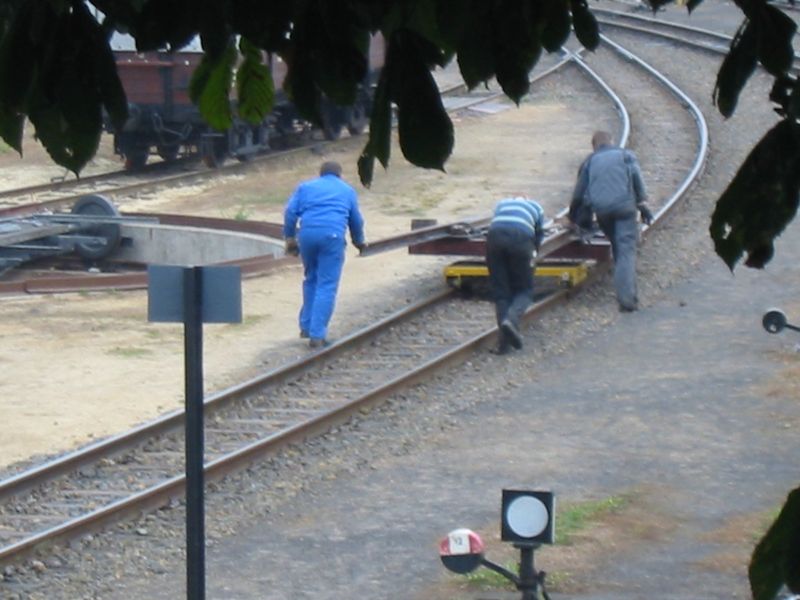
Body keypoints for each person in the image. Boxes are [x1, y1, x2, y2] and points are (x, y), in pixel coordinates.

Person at [283, 161, 366, 348]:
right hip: (332, 236)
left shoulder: (305, 187)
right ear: (339, 174)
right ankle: (317, 334)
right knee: (326, 284)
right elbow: (356, 220)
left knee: (311, 278)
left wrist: (289, 237)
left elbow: (289, 212)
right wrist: (358, 241)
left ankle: (306, 325)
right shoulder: (347, 190)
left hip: (307, 235)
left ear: (321, 174)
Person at [569, 130, 653, 312]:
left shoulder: (590, 161)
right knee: (626, 251)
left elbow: (578, 194)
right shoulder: (625, 155)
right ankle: (627, 300)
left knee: (618, 247)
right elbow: (637, 177)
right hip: (625, 208)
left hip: (602, 212)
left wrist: (573, 217)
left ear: (594, 146)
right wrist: (642, 202)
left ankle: (628, 292)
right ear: (612, 141)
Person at [485, 196, 545, 355]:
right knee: (525, 290)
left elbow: (495, 223)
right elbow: (538, 236)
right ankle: (511, 320)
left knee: (501, 292)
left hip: (494, 238)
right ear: (526, 198)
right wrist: (532, 256)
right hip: (521, 238)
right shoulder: (536, 206)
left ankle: (503, 346)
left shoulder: (502, 204)